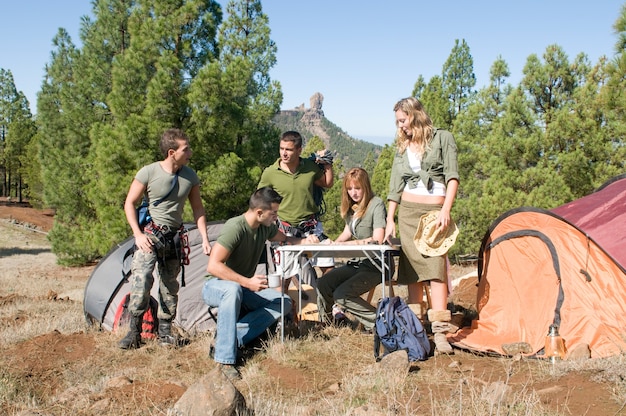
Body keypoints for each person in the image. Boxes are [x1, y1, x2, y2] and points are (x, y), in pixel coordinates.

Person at [202, 187, 320, 380]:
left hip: (241, 288)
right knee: (232, 289)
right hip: (216, 286)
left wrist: (307, 240)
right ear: (259, 212)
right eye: (273, 213)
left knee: (283, 302)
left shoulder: (265, 227)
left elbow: (287, 239)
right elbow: (213, 266)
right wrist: (247, 282)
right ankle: (224, 361)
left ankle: (228, 339)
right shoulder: (236, 227)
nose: (276, 217)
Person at [121, 128, 211, 349]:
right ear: (172, 152)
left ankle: (165, 333)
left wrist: (205, 238)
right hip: (150, 236)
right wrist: (138, 235)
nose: (190, 152)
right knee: (141, 281)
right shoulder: (148, 172)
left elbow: (198, 209)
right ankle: (134, 333)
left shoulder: (190, 176)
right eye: (185, 148)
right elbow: (129, 203)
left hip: (175, 238)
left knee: (169, 287)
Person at [384, 97, 460, 354]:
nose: (400, 126)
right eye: (397, 122)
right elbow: (395, 186)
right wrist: (389, 220)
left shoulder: (443, 138)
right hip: (407, 213)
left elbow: (452, 177)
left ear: (415, 114)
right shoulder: (402, 146)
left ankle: (440, 333)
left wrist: (446, 210)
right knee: (412, 273)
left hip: (434, 213)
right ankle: (417, 330)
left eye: (402, 120)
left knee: (436, 270)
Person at [258, 131, 334, 297]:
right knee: (284, 277)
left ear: (299, 150)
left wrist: (327, 163)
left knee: (329, 268)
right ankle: (283, 317)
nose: (284, 153)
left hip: (312, 227)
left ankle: (326, 308)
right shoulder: (271, 172)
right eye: (281, 148)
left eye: (289, 149)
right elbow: (259, 198)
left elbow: (327, 183)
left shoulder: (309, 166)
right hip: (285, 230)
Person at [316, 168, 389, 332]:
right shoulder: (352, 208)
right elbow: (347, 232)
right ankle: (327, 326)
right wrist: (333, 243)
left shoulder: (376, 204)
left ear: (366, 187)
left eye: (357, 188)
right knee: (323, 283)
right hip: (357, 264)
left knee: (341, 294)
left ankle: (381, 323)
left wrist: (349, 245)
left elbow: (377, 239)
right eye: (349, 189)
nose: (353, 193)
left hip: (375, 265)